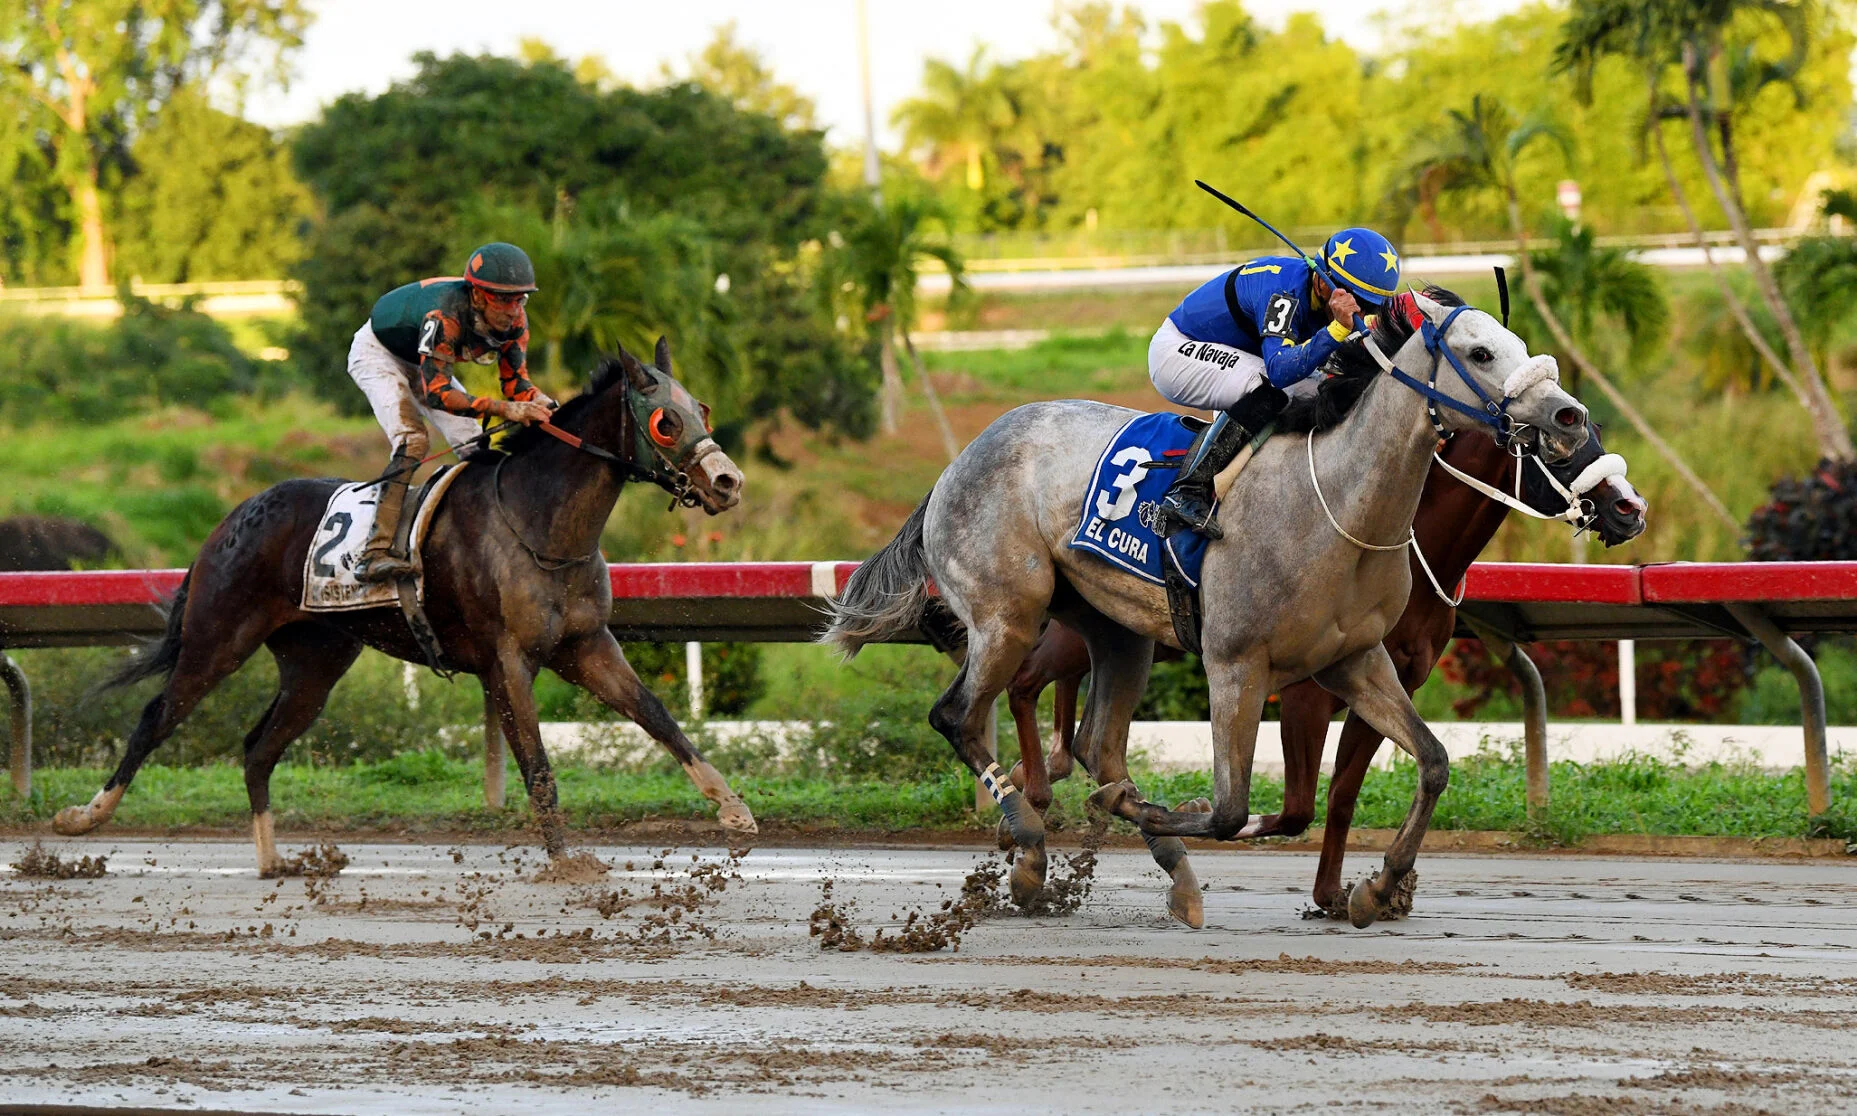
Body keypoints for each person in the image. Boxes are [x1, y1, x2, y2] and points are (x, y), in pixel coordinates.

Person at [1150, 227, 1401, 539]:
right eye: (1356, 302)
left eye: (1370, 307)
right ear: (1324, 283)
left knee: (1327, 390)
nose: (1359, 314)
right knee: (1274, 388)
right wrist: (1337, 330)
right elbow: (1281, 370)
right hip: (1178, 351)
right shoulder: (1283, 292)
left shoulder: (1325, 294)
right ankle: (1187, 491)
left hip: (1238, 357)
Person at [346, 242, 557, 581]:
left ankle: (492, 536)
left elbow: (516, 385)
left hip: (426, 362)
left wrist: (543, 402)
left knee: (474, 443)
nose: (512, 311)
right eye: (501, 299)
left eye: (520, 299)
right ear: (475, 295)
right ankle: (375, 552)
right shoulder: (444, 316)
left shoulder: (517, 322)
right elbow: (438, 394)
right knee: (413, 441)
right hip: (380, 353)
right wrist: (506, 410)